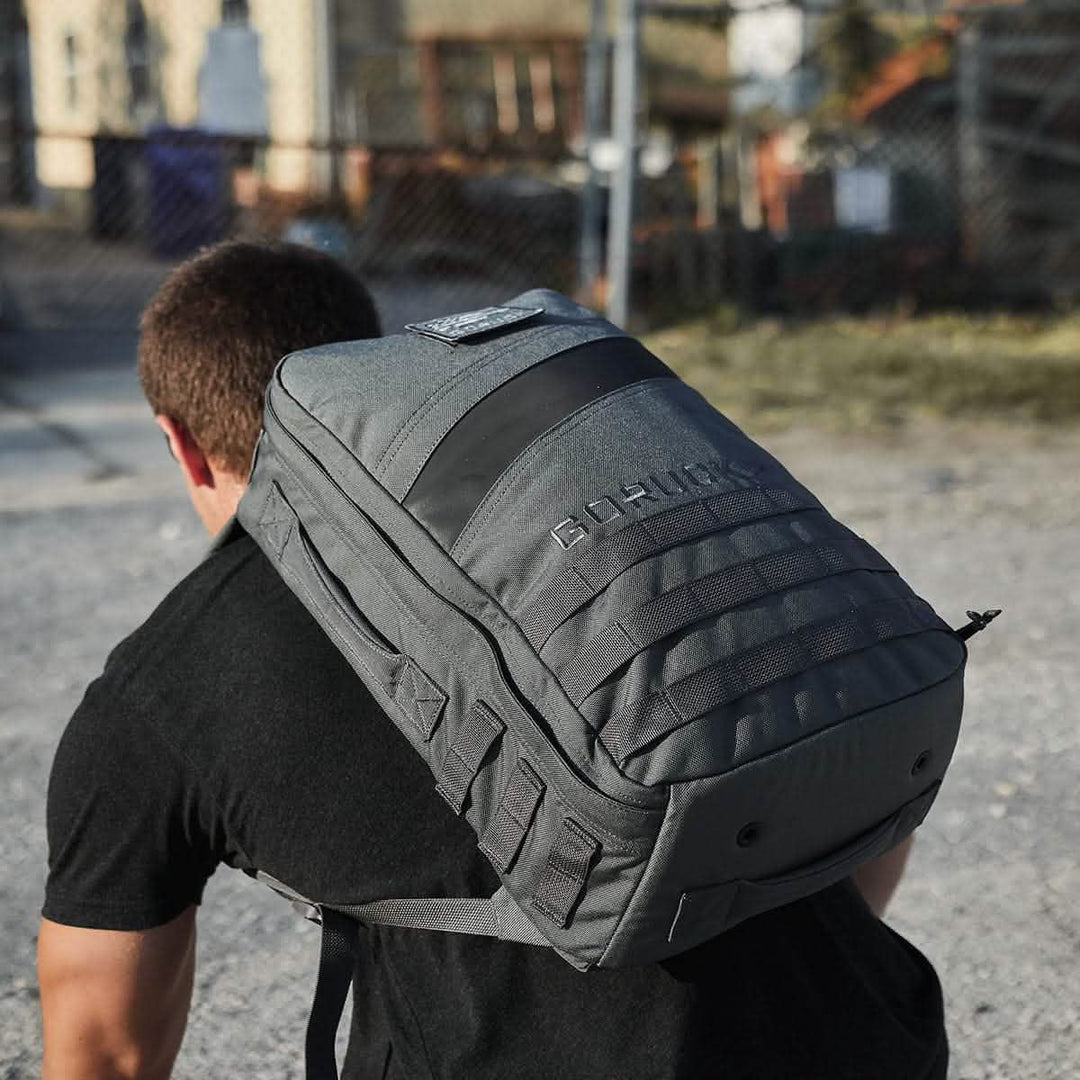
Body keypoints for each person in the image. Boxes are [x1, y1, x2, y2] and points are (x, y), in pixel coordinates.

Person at [38, 241, 947, 1080]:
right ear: (366, 373)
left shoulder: (159, 690)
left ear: (179, 443)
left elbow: (105, 1051)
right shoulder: (564, 510)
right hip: (865, 1038)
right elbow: (852, 746)